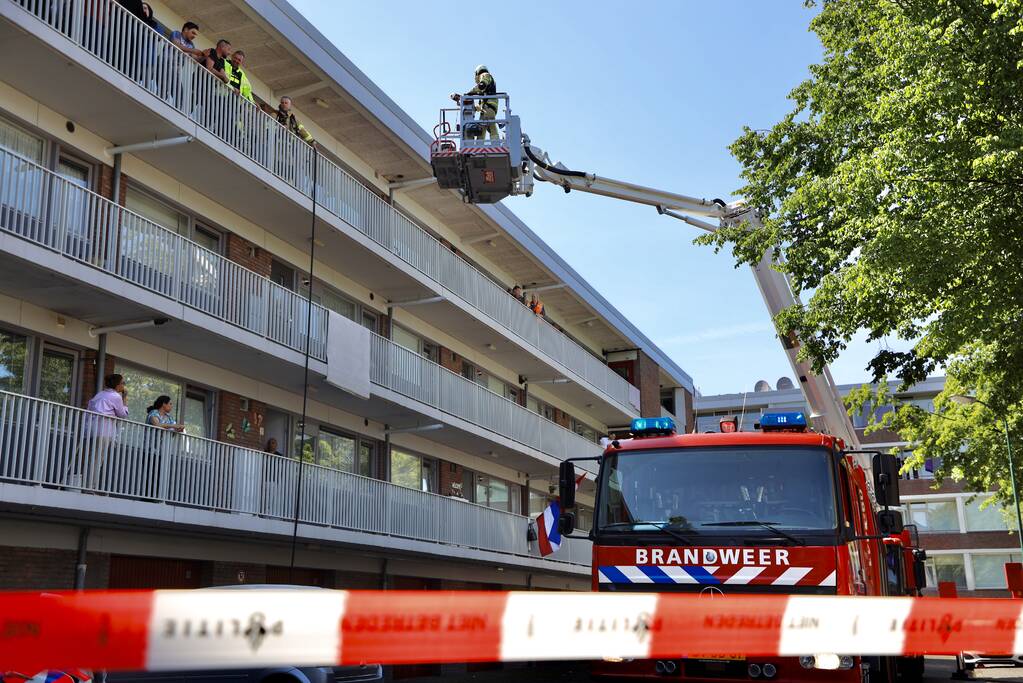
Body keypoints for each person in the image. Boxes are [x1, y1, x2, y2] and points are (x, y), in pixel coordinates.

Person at [82, 374, 130, 489]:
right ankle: (90, 487)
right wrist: (125, 399)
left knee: (91, 458)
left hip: (92, 429)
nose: (124, 385)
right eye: (123, 383)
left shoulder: (100, 394)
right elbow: (122, 415)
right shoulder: (115, 396)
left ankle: (86, 484)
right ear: (118, 385)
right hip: (104, 431)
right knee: (98, 459)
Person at [452, 65, 499, 140]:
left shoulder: (485, 75)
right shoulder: (487, 89)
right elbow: (482, 98)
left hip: (487, 108)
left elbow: (482, 85)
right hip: (489, 109)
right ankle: (491, 144)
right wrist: (475, 107)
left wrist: (469, 93)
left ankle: (487, 145)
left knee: (486, 128)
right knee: (488, 127)